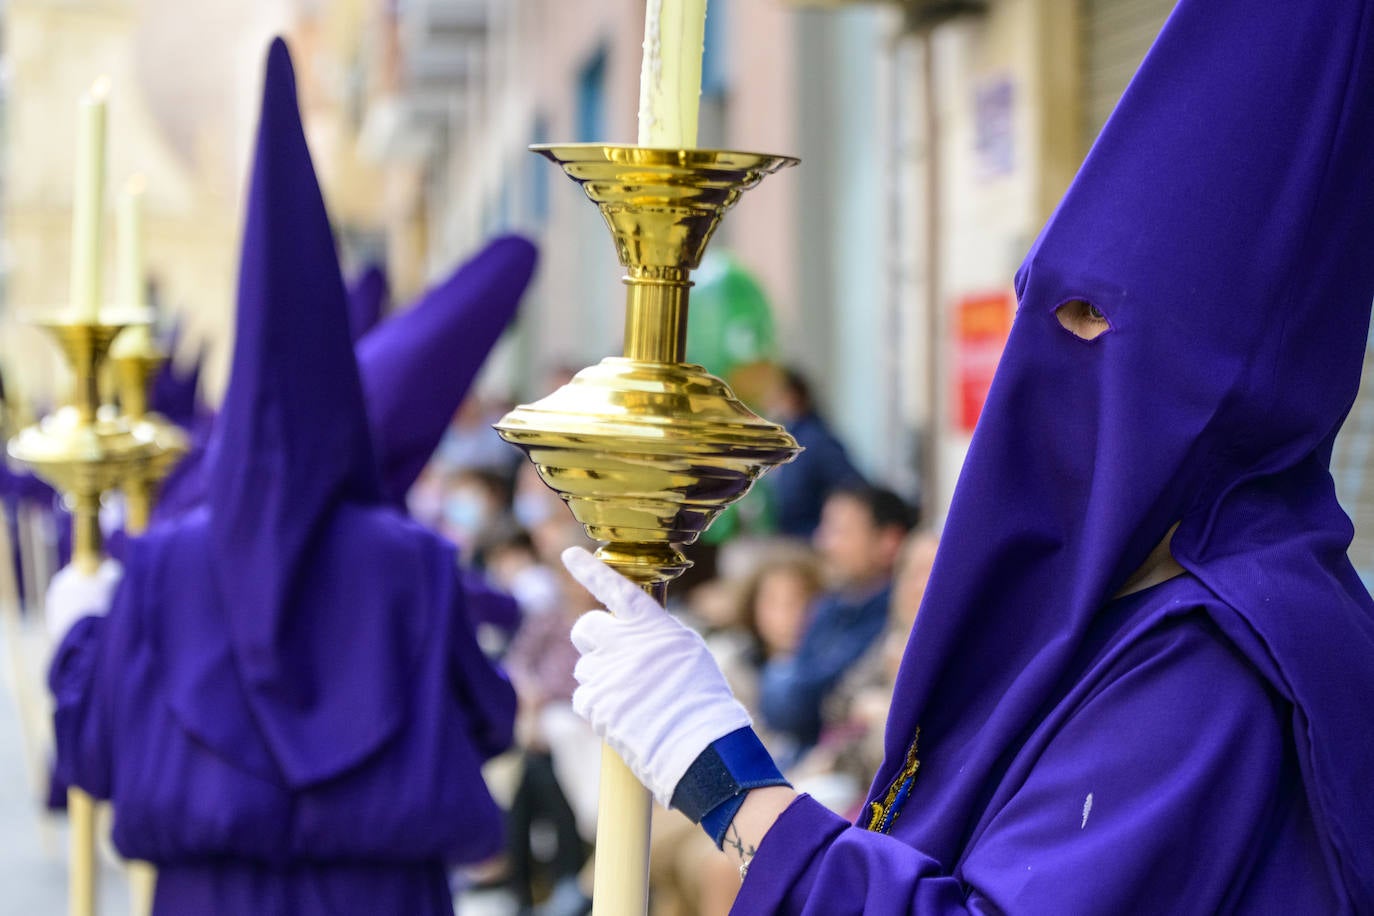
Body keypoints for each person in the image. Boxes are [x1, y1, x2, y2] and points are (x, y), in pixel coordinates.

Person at [558, 1, 1374, 911]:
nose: (1047, 353)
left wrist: (725, 781)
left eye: (1096, 317)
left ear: (1225, 383)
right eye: (1047, 308)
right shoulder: (1129, 599)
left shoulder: (1211, 661)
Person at [44, 40, 515, 915]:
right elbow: (487, 718)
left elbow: (93, 752)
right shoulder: (412, 563)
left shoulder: (161, 567)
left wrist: (77, 631)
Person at [758, 485, 914, 758]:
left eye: (840, 531)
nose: (823, 542)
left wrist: (785, 680)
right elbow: (786, 707)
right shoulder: (828, 606)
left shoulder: (893, 614)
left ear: (889, 541)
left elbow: (824, 701)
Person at [764, 367, 867, 539]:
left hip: (808, 539)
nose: (767, 402)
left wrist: (830, 531)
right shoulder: (788, 437)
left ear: (792, 395)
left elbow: (854, 486)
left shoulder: (814, 440)